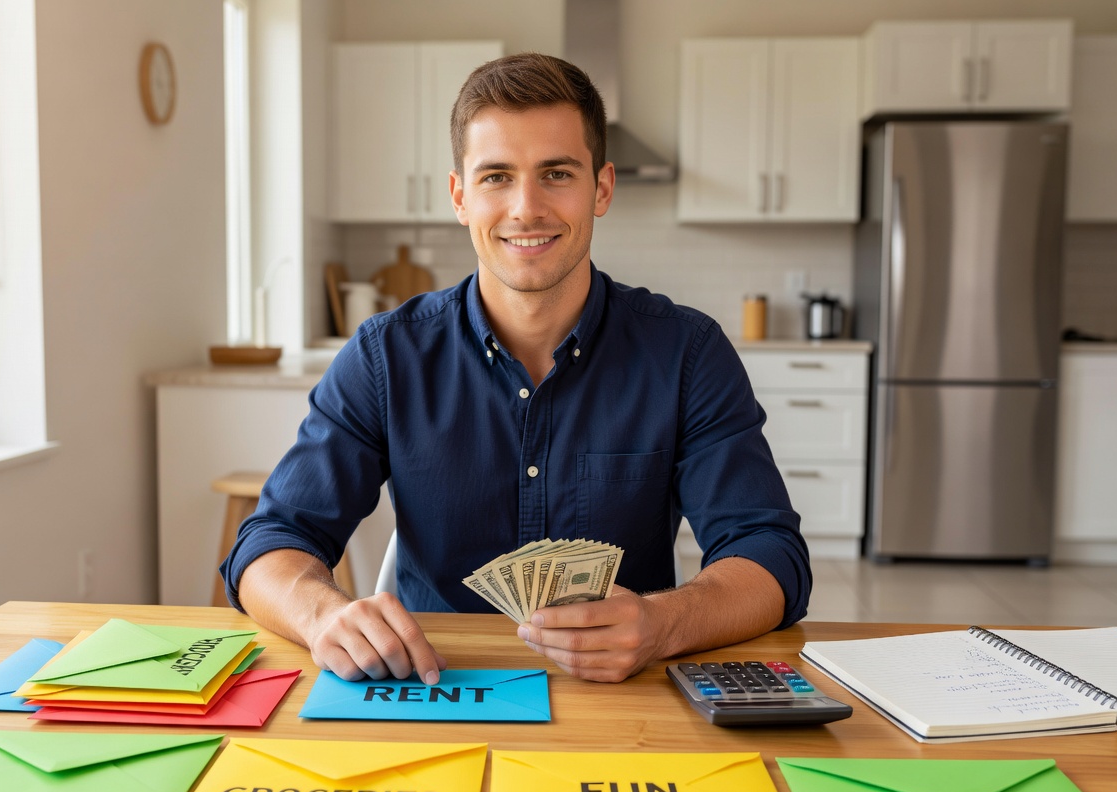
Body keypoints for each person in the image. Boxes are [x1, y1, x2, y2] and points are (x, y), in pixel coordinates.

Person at [223, 52, 810, 684]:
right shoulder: (386, 357)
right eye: (496, 176)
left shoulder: (687, 353)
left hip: (625, 704)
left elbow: (769, 554)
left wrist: (664, 623)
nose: (526, 207)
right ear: (459, 196)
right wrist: (320, 615)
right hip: (436, 689)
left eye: (556, 173)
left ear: (602, 187)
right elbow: (270, 541)